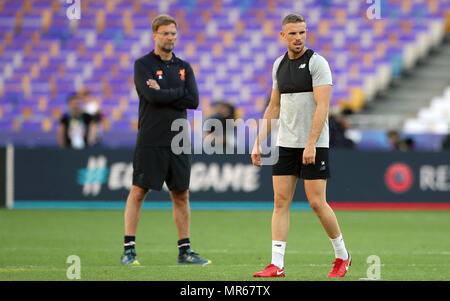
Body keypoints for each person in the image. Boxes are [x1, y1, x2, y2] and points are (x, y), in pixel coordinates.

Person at [251, 14, 351, 278]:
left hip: (314, 144)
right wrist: (259, 141)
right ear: (282, 36)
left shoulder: (318, 63)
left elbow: (323, 107)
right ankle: (276, 265)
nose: (298, 38)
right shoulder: (278, 65)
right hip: (286, 143)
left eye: (302, 33)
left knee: (317, 202)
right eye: (292, 34)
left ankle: (342, 255)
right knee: (280, 202)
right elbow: (273, 107)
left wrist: (311, 144)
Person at [120, 14, 211, 266]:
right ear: (155, 35)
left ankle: (185, 252)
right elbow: (151, 97)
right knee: (139, 191)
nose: (169, 38)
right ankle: (128, 250)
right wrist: (175, 93)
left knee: (181, 194)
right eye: (165, 33)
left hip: (179, 139)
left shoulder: (184, 67)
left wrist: (164, 92)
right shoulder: (143, 64)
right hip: (151, 137)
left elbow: (193, 101)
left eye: (173, 33)